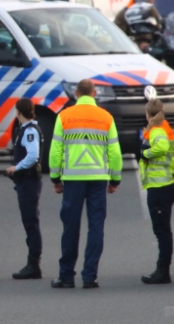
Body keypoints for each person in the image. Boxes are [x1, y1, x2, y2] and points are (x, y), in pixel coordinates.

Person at [48, 79, 123, 289]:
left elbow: (55, 152)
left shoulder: (64, 116)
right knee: (96, 226)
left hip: (73, 180)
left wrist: (55, 177)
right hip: (98, 179)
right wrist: (115, 178)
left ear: (76, 93)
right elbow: (115, 152)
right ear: (95, 93)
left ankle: (66, 276)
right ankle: (90, 277)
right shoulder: (106, 117)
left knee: (70, 227)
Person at [139, 99, 174, 285]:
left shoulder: (156, 131)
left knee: (162, 231)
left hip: (159, 187)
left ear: (148, 114)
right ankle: (163, 269)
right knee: (163, 230)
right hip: (167, 184)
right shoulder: (165, 128)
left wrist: (146, 153)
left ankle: (163, 271)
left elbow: (162, 147)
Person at [6, 98, 43, 280]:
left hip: (28, 181)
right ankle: (33, 263)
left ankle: (33, 264)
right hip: (27, 182)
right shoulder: (27, 130)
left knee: (30, 223)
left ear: (18, 112)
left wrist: (16, 167)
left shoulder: (29, 131)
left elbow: (33, 155)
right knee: (30, 222)